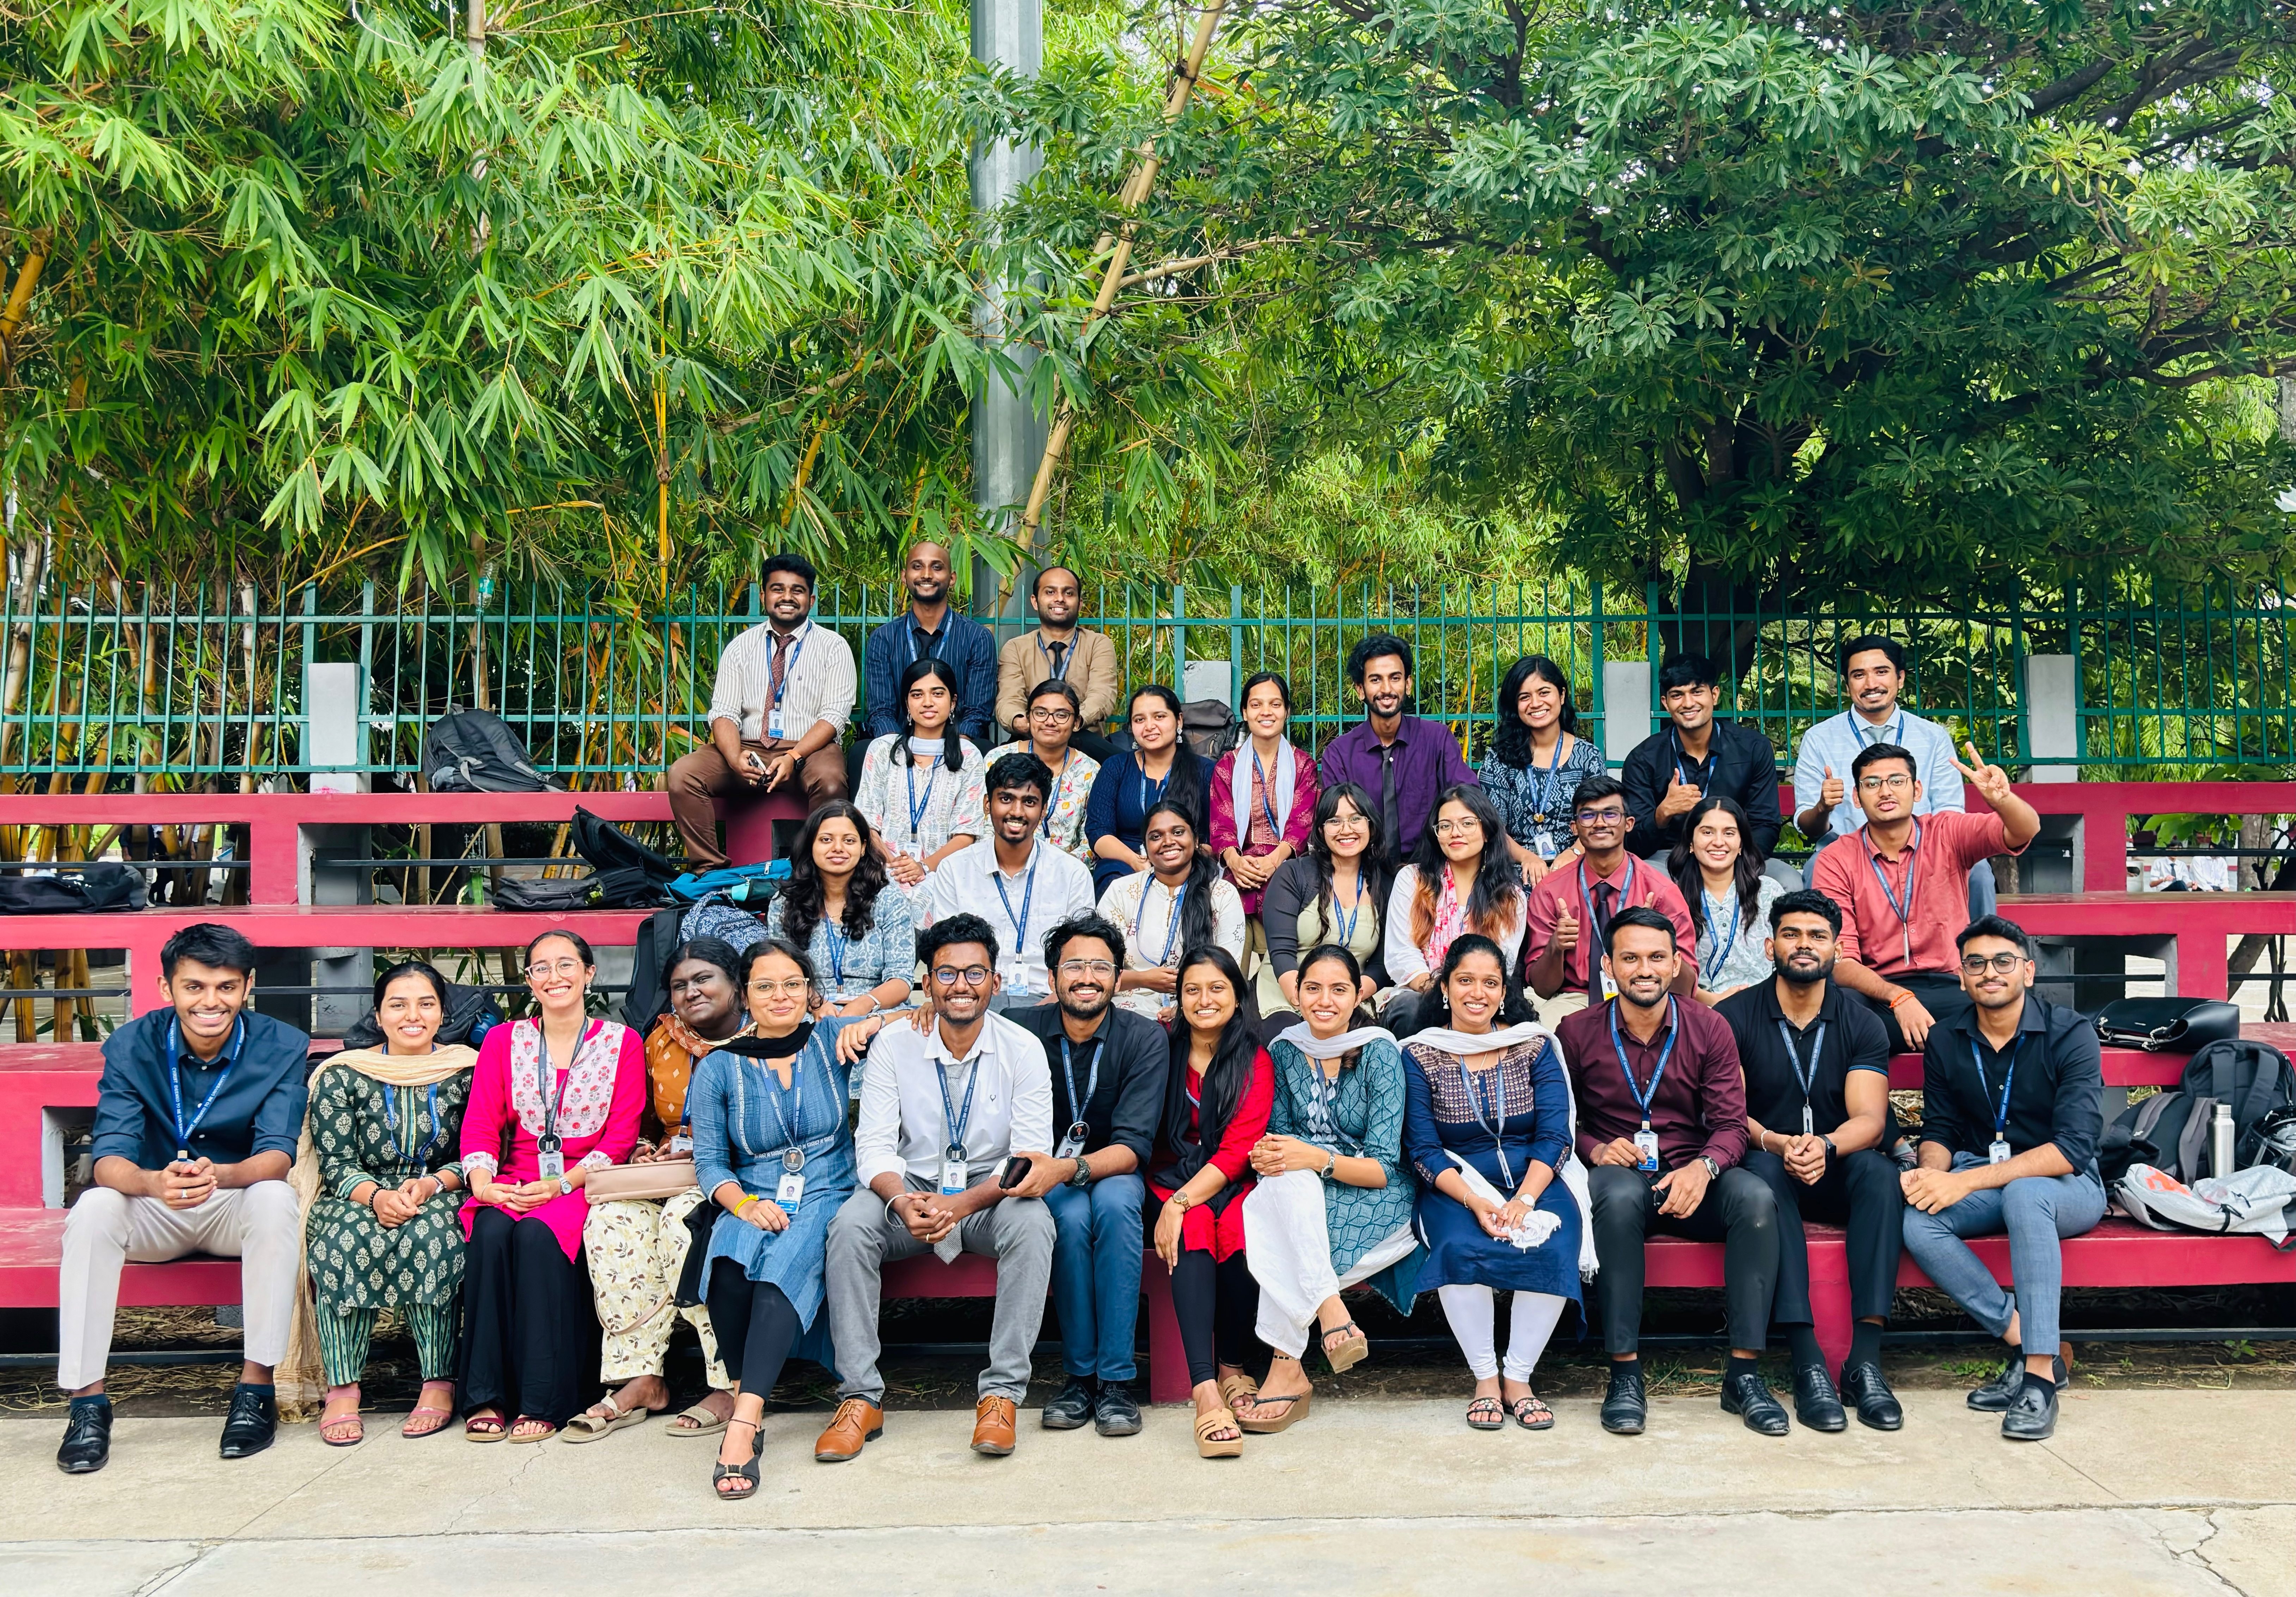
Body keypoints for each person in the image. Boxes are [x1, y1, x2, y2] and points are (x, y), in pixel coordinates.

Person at [56, 924, 310, 1474]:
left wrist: (220, 1174)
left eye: (225, 987)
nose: (210, 1001)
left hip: (231, 1200)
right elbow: (109, 1156)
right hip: (154, 1205)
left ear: (248, 987)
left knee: (274, 1198)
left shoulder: (282, 1045)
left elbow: (278, 1154)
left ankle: (255, 1388)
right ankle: (86, 1403)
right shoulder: (131, 1045)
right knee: (94, 1206)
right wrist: (152, 1182)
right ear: (166, 988)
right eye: (194, 987)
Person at [818, 914, 1057, 1460]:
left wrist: (961, 1204)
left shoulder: (1021, 1048)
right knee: (850, 1226)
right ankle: (860, 1396)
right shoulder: (894, 1044)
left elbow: (1027, 1158)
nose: (962, 985)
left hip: (988, 1194)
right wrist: (901, 1201)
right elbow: (874, 1145)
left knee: (1034, 1223)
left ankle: (1000, 1395)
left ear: (996, 982)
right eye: (947, 973)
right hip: (911, 1188)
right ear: (927, 983)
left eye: (976, 972)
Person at [1557, 908, 1785, 1437]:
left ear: (1677, 963)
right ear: (1608, 966)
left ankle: (1745, 1375)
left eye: (1657, 957)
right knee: (1613, 1197)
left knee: (1755, 1198)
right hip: (1621, 1173)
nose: (1644, 968)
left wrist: (1704, 1168)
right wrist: (1594, 1146)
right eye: (1630, 957)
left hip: (1694, 1172)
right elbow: (1560, 1122)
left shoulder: (1709, 1026)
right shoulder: (1576, 1030)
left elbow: (1730, 1124)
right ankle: (1624, 1372)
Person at [1899, 916, 2106, 1442]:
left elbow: (2073, 1148)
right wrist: (1932, 1175)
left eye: (2002, 961)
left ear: (2028, 971)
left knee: (2026, 1192)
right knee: (1919, 1222)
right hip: (1988, 1178)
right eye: (1976, 963)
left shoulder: (2070, 1033)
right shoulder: (1947, 1038)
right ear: (1962, 977)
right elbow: (1941, 1127)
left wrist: (1966, 1182)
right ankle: (2023, 1339)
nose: (1989, 972)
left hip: (2068, 1185)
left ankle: (2039, 1378)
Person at [1715, 892, 1905, 1433]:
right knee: (1765, 1175)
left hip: (1834, 1162)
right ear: (1769, 943)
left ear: (1836, 947)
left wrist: (1824, 1146)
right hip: (1767, 1162)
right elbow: (1731, 1111)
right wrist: (1777, 1142)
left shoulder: (1861, 1022)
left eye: (1817, 936)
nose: (1804, 945)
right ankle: (1807, 1362)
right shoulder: (1734, 1017)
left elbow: (1869, 1117)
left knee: (1879, 1174)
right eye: (1793, 934)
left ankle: (1865, 1363)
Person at [690, 940, 865, 1497]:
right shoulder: (719, 1065)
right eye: (765, 986)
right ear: (745, 995)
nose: (780, 996)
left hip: (828, 1187)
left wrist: (872, 1022)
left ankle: (743, 1426)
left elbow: (917, 1013)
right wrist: (743, 1204)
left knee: (780, 1268)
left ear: (811, 991)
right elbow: (711, 1162)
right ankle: (749, 1392)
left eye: (792, 984)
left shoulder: (831, 1041)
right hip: (754, 1192)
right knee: (726, 1265)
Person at [457, 931, 647, 1441]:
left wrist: (561, 1184)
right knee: (492, 1232)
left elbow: (623, 1136)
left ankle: (547, 1398)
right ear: (529, 982)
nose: (554, 976)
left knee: (538, 1238)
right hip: (513, 1175)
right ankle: (486, 1395)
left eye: (566, 965)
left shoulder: (621, 1042)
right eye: (541, 967)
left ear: (589, 973)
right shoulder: (503, 1039)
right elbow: (479, 1124)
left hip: (586, 1178)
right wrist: (484, 1185)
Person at [286, 961, 476, 1446]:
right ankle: (344, 1386)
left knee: (434, 1236)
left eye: (426, 1003)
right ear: (378, 1014)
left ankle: (437, 1381)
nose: (413, 1015)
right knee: (340, 1241)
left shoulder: (467, 1069)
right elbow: (336, 1160)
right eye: (398, 1004)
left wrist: (433, 1184)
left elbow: (478, 1150)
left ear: (442, 1012)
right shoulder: (344, 1074)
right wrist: (377, 1195)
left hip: (443, 1190)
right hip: (357, 1192)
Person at [566, 940, 748, 1445]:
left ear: (736, 983)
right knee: (609, 1222)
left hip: (737, 1176)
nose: (692, 992)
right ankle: (641, 1375)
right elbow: (644, 1120)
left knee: (683, 1224)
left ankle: (730, 1379)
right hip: (666, 1172)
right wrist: (646, 1148)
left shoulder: (765, 1039)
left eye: (704, 978)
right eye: (679, 985)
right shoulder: (660, 1041)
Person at [1235, 946, 1423, 1432]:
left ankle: (1286, 1368)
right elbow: (1277, 1141)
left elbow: (1382, 1166)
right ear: (1295, 994)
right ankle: (1332, 1311)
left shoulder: (1380, 1051)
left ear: (1356, 993)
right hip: (1303, 1189)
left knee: (1286, 1229)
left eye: (1338, 989)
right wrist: (1275, 1156)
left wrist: (1313, 1157)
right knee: (1285, 1186)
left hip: (1377, 1196)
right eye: (1313, 988)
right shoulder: (1282, 1050)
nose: (1324, 1000)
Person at [1402, 935, 1587, 1431]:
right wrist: (1477, 1200)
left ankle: (1519, 1376)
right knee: (1460, 1244)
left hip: (1536, 1176)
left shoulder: (1532, 1044)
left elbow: (1555, 1133)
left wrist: (1525, 1199)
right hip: (1456, 1185)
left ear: (1504, 990)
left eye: (1490, 982)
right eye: (1465, 980)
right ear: (1445, 987)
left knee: (1554, 1239)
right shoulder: (1420, 1054)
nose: (1477, 993)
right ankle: (1485, 1377)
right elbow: (1422, 1147)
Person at [1006, 914, 1170, 1436]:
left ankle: (1117, 1381)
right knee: (1073, 1219)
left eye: (1101, 966)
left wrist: (1069, 1166)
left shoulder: (1144, 1037)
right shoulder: (1021, 1029)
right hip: (1048, 1177)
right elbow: (955, 1019)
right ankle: (1080, 1378)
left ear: (1119, 978)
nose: (1087, 976)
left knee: (1118, 1204)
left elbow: (1133, 1147)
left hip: (1112, 1168)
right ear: (1052, 977)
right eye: (1073, 964)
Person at [1811, 740, 2040, 1052]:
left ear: (1917, 790)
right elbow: (1841, 959)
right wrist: (1898, 997)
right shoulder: (1837, 858)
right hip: (1878, 992)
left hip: (1951, 983)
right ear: (1856, 796)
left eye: (1897, 781)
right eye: (1872, 783)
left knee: (2014, 1013)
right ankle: (1872, 1103)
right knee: (1842, 1016)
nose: (1885, 791)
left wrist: (2003, 801)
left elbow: (2024, 830)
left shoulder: (1947, 832)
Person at [1147, 947, 1276, 1458]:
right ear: (1178, 999)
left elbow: (1239, 1149)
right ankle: (1205, 1389)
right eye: (1193, 989)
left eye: (1217, 988)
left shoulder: (1254, 1058)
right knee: (1195, 1225)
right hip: (1167, 1175)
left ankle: (1233, 1366)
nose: (1205, 999)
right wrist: (1178, 1202)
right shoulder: (1160, 1048)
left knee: (1242, 1223)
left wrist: (1181, 1200)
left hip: (1229, 1177)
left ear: (1237, 995)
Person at [665, 551, 856, 869]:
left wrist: (793, 757)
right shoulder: (740, 647)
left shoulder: (833, 647)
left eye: (797, 590)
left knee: (832, 782)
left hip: (809, 750)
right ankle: (710, 872)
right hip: (749, 749)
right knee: (683, 774)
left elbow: (834, 716)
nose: (787, 597)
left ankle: (814, 872)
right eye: (778, 589)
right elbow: (724, 712)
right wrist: (734, 757)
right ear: (764, 595)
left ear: (810, 598)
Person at [1792, 633, 1996, 915]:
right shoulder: (1819, 739)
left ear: (1900, 679)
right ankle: (1835, 958)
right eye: (1858, 675)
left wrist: (1924, 851)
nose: (1871, 684)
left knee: (1979, 871)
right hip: (1847, 854)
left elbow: (1950, 812)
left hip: (1925, 853)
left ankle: (1982, 954)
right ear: (1846, 683)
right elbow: (1806, 825)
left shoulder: (1932, 737)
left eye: (1881, 672)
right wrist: (1822, 807)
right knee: (1817, 867)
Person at [925, 751, 1097, 1006]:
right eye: (1006, 799)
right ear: (987, 804)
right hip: (974, 999)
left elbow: (1084, 955)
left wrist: (1054, 1004)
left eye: (1029, 802)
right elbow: (946, 952)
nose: (1016, 812)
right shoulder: (955, 869)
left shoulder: (1071, 873)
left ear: (1043, 811)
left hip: (1049, 1002)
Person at [1523, 774, 1696, 1022]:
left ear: (1629, 824)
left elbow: (1685, 988)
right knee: (1540, 1039)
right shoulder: (1551, 891)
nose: (1600, 823)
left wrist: (1657, 944)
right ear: (1574, 828)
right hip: (1574, 998)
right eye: (1588, 815)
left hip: (1646, 994)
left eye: (1611, 814)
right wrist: (1556, 947)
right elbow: (1542, 988)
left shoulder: (1660, 891)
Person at [1381, 785, 1524, 1039]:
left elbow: (1503, 963)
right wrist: (1440, 992)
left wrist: (1466, 994)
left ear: (1487, 831)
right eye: (1445, 826)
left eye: (1467, 823)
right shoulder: (1412, 880)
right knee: (1411, 1010)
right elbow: (1401, 953)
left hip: (1481, 997)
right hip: (1420, 992)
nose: (1455, 833)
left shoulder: (1510, 896)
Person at [1317, 634, 1476, 862]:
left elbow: (1467, 800)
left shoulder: (1437, 740)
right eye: (1375, 680)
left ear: (1408, 684)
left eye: (1395, 678)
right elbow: (1336, 825)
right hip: (1365, 873)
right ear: (1360, 690)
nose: (1386, 689)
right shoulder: (1339, 754)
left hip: (1430, 870)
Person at [1256, 783, 1390, 1039]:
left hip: (1352, 998)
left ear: (1370, 827)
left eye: (1355, 819)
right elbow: (1281, 951)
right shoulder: (1294, 874)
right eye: (1334, 821)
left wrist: (1347, 998)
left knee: (1370, 1046)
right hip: (1288, 994)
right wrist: (1309, 1001)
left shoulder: (1384, 885)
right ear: (1321, 830)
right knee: (1290, 1040)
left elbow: (1382, 964)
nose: (1346, 830)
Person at [1622, 653, 1782, 866]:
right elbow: (1633, 843)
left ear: (1714, 695)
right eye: (1677, 695)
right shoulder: (1643, 759)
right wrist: (1663, 813)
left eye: (1697, 692)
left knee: (1789, 882)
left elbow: (1766, 824)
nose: (1688, 703)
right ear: (1666, 703)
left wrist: (1735, 862)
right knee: (1646, 881)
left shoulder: (1753, 748)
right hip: (1669, 857)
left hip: (1736, 853)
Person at [1096, 798, 1247, 1021]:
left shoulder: (1222, 894)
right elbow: (1098, 968)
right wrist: (1143, 980)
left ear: (1195, 840)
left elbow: (1226, 973)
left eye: (1178, 832)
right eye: (1156, 837)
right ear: (1145, 847)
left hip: (1199, 1008)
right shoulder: (1122, 890)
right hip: (1125, 1008)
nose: (1168, 842)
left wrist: (1184, 1010)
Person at [764, 802, 917, 1017]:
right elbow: (782, 974)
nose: (838, 848)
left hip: (876, 1010)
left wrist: (863, 1006)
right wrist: (816, 1003)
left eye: (849, 841)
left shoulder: (889, 900)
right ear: (811, 845)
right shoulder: (786, 902)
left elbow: (901, 980)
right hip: (808, 1009)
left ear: (863, 848)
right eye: (827, 840)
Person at [854, 655, 986, 888]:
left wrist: (923, 867)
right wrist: (895, 866)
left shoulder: (969, 756)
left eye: (938, 693)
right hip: (883, 870)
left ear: (953, 702)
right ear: (907, 703)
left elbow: (967, 833)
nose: (927, 702)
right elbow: (865, 824)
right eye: (917, 695)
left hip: (945, 873)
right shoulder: (883, 750)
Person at [1478, 654, 1605, 883]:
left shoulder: (1588, 756)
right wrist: (1527, 858)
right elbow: (1492, 826)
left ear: (1562, 695)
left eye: (1544, 692)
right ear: (1514, 705)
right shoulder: (1500, 758)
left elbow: (1598, 819)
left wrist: (1573, 853)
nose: (1535, 704)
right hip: (1515, 872)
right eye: (1524, 697)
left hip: (1577, 866)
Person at [1208, 671, 1321, 916]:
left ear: (1287, 712)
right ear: (1245, 713)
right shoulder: (1227, 767)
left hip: (1289, 866)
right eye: (1256, 705)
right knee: (1226, 913)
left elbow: (1300, 826)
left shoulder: (1304, 766)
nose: (1266, 712)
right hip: (1240, 868)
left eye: (1275, 704)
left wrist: (1272, 862)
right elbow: (1221, 827)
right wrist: (1236, 863)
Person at [863, 539, 997, 743]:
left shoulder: (977, 638)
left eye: (937, 567)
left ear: (952, 579)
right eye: (917, 567)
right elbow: (881, 711)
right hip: (897, 744)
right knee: (861, 753)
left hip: (960, 745)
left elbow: (977, 712)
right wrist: (900, 751)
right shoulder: (884, 638)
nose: (926, 575)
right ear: (904, 577)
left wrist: (954, 748)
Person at [1086, 683, 1208, 893]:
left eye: (1159, 717)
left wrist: (1174, 863)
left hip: (1186, 863)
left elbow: (1212, 837)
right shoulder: (1116, 768)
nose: (1149, 726)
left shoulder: (1204, 771)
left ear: (1179, 720)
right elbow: (1099, 831)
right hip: (1125, 862)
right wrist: (1137, 862)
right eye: (1140, 720)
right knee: (1115, 884)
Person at [1670, 795, 1786, 1003]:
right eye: (1707, 832)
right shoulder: (1672, 897)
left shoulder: (1768, 892)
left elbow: (1786, 960)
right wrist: (1712, 1001)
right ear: (1691, 843)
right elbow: (1666, 969)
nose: (1718, 842)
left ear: (1741, 844)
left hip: (1764, 1007)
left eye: (1729, 833)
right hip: (1696, 1009)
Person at [996, 564, 1120, 758]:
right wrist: (1027, 722)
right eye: (1050, 592)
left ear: (1079, 603)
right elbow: (1008, 700)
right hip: (1031, 738)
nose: (1060, 599)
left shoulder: (1098, 644)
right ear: (1035, 602)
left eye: (1069, 593)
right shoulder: (1016, 648)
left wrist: (1068, 721)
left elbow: (1102, 697)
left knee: (1124, 766)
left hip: (1083, 739)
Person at [1022, 678, 1103, 865]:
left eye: (1061, 715)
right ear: (1028, 718)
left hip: (1067, 876)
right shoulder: (998, 760)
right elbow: (986, 829)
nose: (1050, 722)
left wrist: (1059, 870)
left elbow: (1091, 839)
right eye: (1040, 713)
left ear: (1076, 723)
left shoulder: (1090, 771)